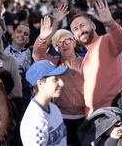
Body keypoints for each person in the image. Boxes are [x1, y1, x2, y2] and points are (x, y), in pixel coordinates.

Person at [33, 15, 85, 145]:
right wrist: (43, 37)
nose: (64, 45)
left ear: (74, 41)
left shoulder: (85, 61)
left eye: (67, 40)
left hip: (84, 117)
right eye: (59, 43)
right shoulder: (53, 63)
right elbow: (37, 55)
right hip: (61, 117)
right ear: (56, 48)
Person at [70, 0, 122, 115]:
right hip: (96, 116)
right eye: (75, 29)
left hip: (114, 111)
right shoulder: (85, 58)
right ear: (74, 37)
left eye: (82, 25)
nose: (80, 30)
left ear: (93, 26)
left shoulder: (106, 40)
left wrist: (110, 22)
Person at [20, 60, 68, 146]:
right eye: (55, 79)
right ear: (41, 84)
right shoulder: (34, 121)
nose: (62, 83)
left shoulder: (53, 108)